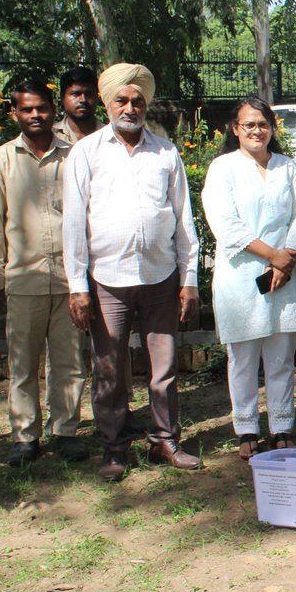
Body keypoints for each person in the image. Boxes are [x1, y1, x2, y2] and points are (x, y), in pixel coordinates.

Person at [63, 63, 201, 482]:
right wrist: (77, 285)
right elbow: (74, 223)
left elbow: (183, 221)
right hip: (107, 280)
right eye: (122, 100)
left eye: (137, 101)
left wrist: (189, 278)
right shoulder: (86, 153)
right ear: (108, 104)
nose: (130, 107)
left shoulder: (166, 152)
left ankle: (164, 439)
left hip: (160, 279)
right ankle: (114, 447)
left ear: (146, 105)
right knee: (108, 367)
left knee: (164, 368)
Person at [0, 80, 89, 466]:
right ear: (16, 114)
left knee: (69, 360)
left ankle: (66, 432)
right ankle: (25, 436)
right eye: (27, 109)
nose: (36, 115)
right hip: (23, 279)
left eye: (42, 107)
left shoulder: (74, 157)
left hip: (70, 279)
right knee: (22, 364)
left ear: (53, 110)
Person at [202, 97, 296, 460]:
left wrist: (284, 261)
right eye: (248, 124)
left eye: (263, 124)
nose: (256, 130)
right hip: (242, 275)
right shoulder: (223, 168)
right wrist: (271, 256)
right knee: (244, 357)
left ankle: (282, 425)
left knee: (281, 356)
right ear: (235, 129)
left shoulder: (287, 167)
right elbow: (226, 223)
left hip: (286, 275)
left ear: (272, 128)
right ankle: (246, 427)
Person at [53, 66, 104, 145]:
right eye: (76, 94)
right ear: (63, 97)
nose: (83, 100)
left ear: (97, 98)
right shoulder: (51, 135)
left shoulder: (110, 135)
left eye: (89, 94)